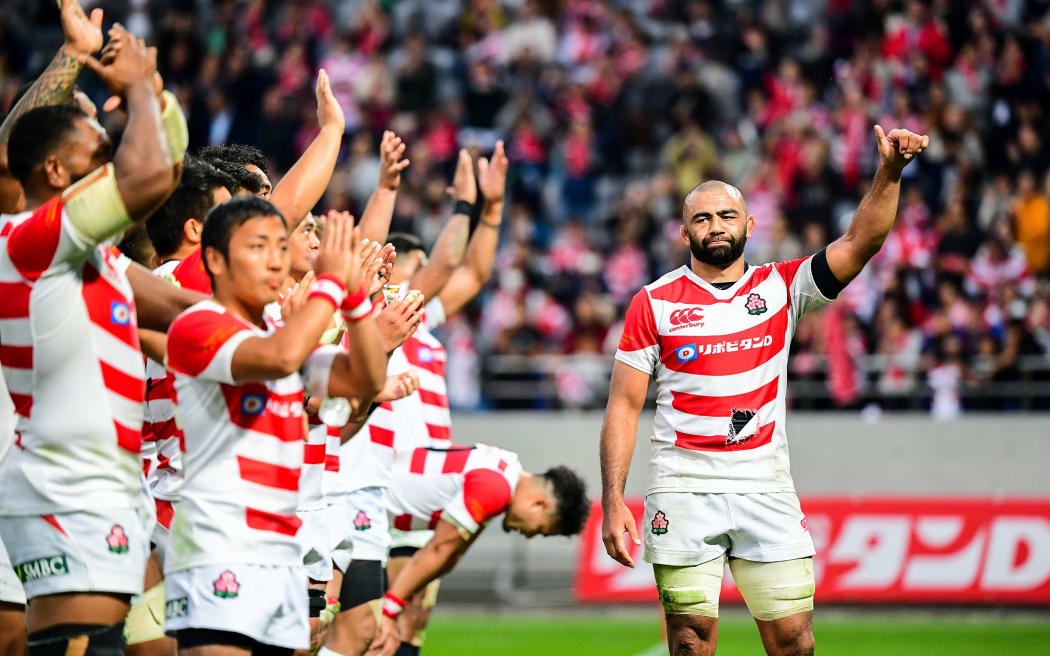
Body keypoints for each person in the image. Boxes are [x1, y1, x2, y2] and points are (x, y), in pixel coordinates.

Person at [599, 126, 929, 656]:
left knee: (794, 641)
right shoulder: (653, 302)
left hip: (765, 487)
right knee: (688, 641)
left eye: (727, 215)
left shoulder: (783, 287)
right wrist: (613, 497)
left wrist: (889, 172)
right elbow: (624, 404)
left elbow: (860, 242)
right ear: (684, 234)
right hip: (682, 487)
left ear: (749, 225)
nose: (716, 226)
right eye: (701, 218)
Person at [0, 23, 196, 656]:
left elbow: (187, 308)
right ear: (54, 171)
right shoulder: (32, 240)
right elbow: (146, 178)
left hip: (104, 483)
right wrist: (139, 87)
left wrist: (310, 327)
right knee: (78, 647)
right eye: (96, 159)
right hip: (64, 481)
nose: (111, 171)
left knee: (114, 645)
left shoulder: (93, 258)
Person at [162, 198, 386, 653]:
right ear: (214, 259)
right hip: (218, 547)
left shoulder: (277, 332)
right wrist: (330, 284)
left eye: (281, 247)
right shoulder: (199, 324)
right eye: (258, 246)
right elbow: (282, 358)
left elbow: (365, 378)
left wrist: (357, 297)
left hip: (281, 552)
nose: (275, 259)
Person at [320, 148, 482, 656]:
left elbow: (462, 271)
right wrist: (393, 189)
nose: (403, 277)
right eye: (403, 266)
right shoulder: (345, 311)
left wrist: (480, 208)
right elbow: (449, 265)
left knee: (388, 626)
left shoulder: (408, 316)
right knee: (338, 626)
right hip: (360, 478)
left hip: (374, 478)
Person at [383, 141, 509, 656]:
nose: (427, 276)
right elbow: (455, 267)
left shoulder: (424, 323)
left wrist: (493, 208)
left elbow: (475, 274)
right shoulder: (376, 317)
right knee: (378, 626)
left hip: (425, 481)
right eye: (417, 264)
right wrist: (463, 206)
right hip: (390, 482)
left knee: (413, 623)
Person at [368, 443, 589, 656]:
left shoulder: (505, 471)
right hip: (358, 507)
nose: (530, 536)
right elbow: (439, 549)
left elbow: (452, 554)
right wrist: (389, 612)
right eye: (540, 529)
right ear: (539, 504)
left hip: (367, 511)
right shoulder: (494, 487)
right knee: (359, 631)